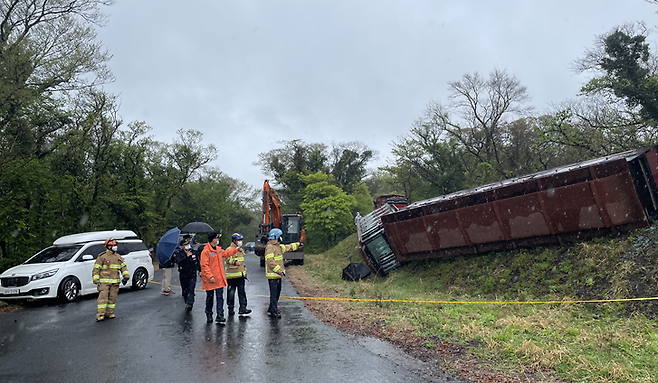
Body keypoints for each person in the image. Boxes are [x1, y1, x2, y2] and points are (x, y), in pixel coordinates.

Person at [200, 231, 240, 324]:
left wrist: (235, 250)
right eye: (217, 238)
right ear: (212, 239)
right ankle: (209, 314)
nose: (218, 240)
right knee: (210, 297)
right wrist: (210, 276)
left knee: (219, 297)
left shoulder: (218, 249)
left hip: (218, 278)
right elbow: (204, 265)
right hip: (210, 279)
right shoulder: (205, 251)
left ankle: (220, 315)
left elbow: (226, 253)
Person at [264, 228, 301, 318]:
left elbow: (288, 247)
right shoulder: (270, 248)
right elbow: (270, 262)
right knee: (274, 293)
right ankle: (274, 311)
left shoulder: (278, 247)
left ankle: (271, 308)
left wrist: (297, 244)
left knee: (277, 293)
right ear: (276, 236)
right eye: (280, 236)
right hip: (273, 276)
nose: (281, 237)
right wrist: (279, 271)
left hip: (277, 275)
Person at [92, 238, 130, 322]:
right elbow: (96, 269)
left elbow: (123, 267)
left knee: (112, 299)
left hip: (115, 282)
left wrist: (126, 276)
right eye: (112, 245)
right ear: (108, 246)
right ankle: (100, 315)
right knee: (103, 299)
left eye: (115, 245)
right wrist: (96, 279)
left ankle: (109, 313)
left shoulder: (118, 257)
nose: (114, 247)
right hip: (104, 283)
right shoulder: (102, 256)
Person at [225, 233, 251, 317]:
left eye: (241, 240)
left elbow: (242, 263)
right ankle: (230, 308)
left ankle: (243, 308)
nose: (240, 242)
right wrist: (234, 262)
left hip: (241, 275)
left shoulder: (240, 250)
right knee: (231, 293)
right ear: (234, 240)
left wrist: (244, 272)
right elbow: (227, 259)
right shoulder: (229, 249)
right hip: (232, 275)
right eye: (239, 240)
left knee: (242, 292)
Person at [175, 236, 201, 311]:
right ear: (182, 246)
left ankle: (190, 303)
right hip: (183, 274)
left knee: (191, 289)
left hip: (192, 273)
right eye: (185, 244)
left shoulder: (193, 252)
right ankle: (187, 301)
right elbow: (178, 262)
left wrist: (200, 270)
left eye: (188, 243)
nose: (187, 245)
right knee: (185, 290)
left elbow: (197, 262)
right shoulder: (179, 253)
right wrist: (186, 256)